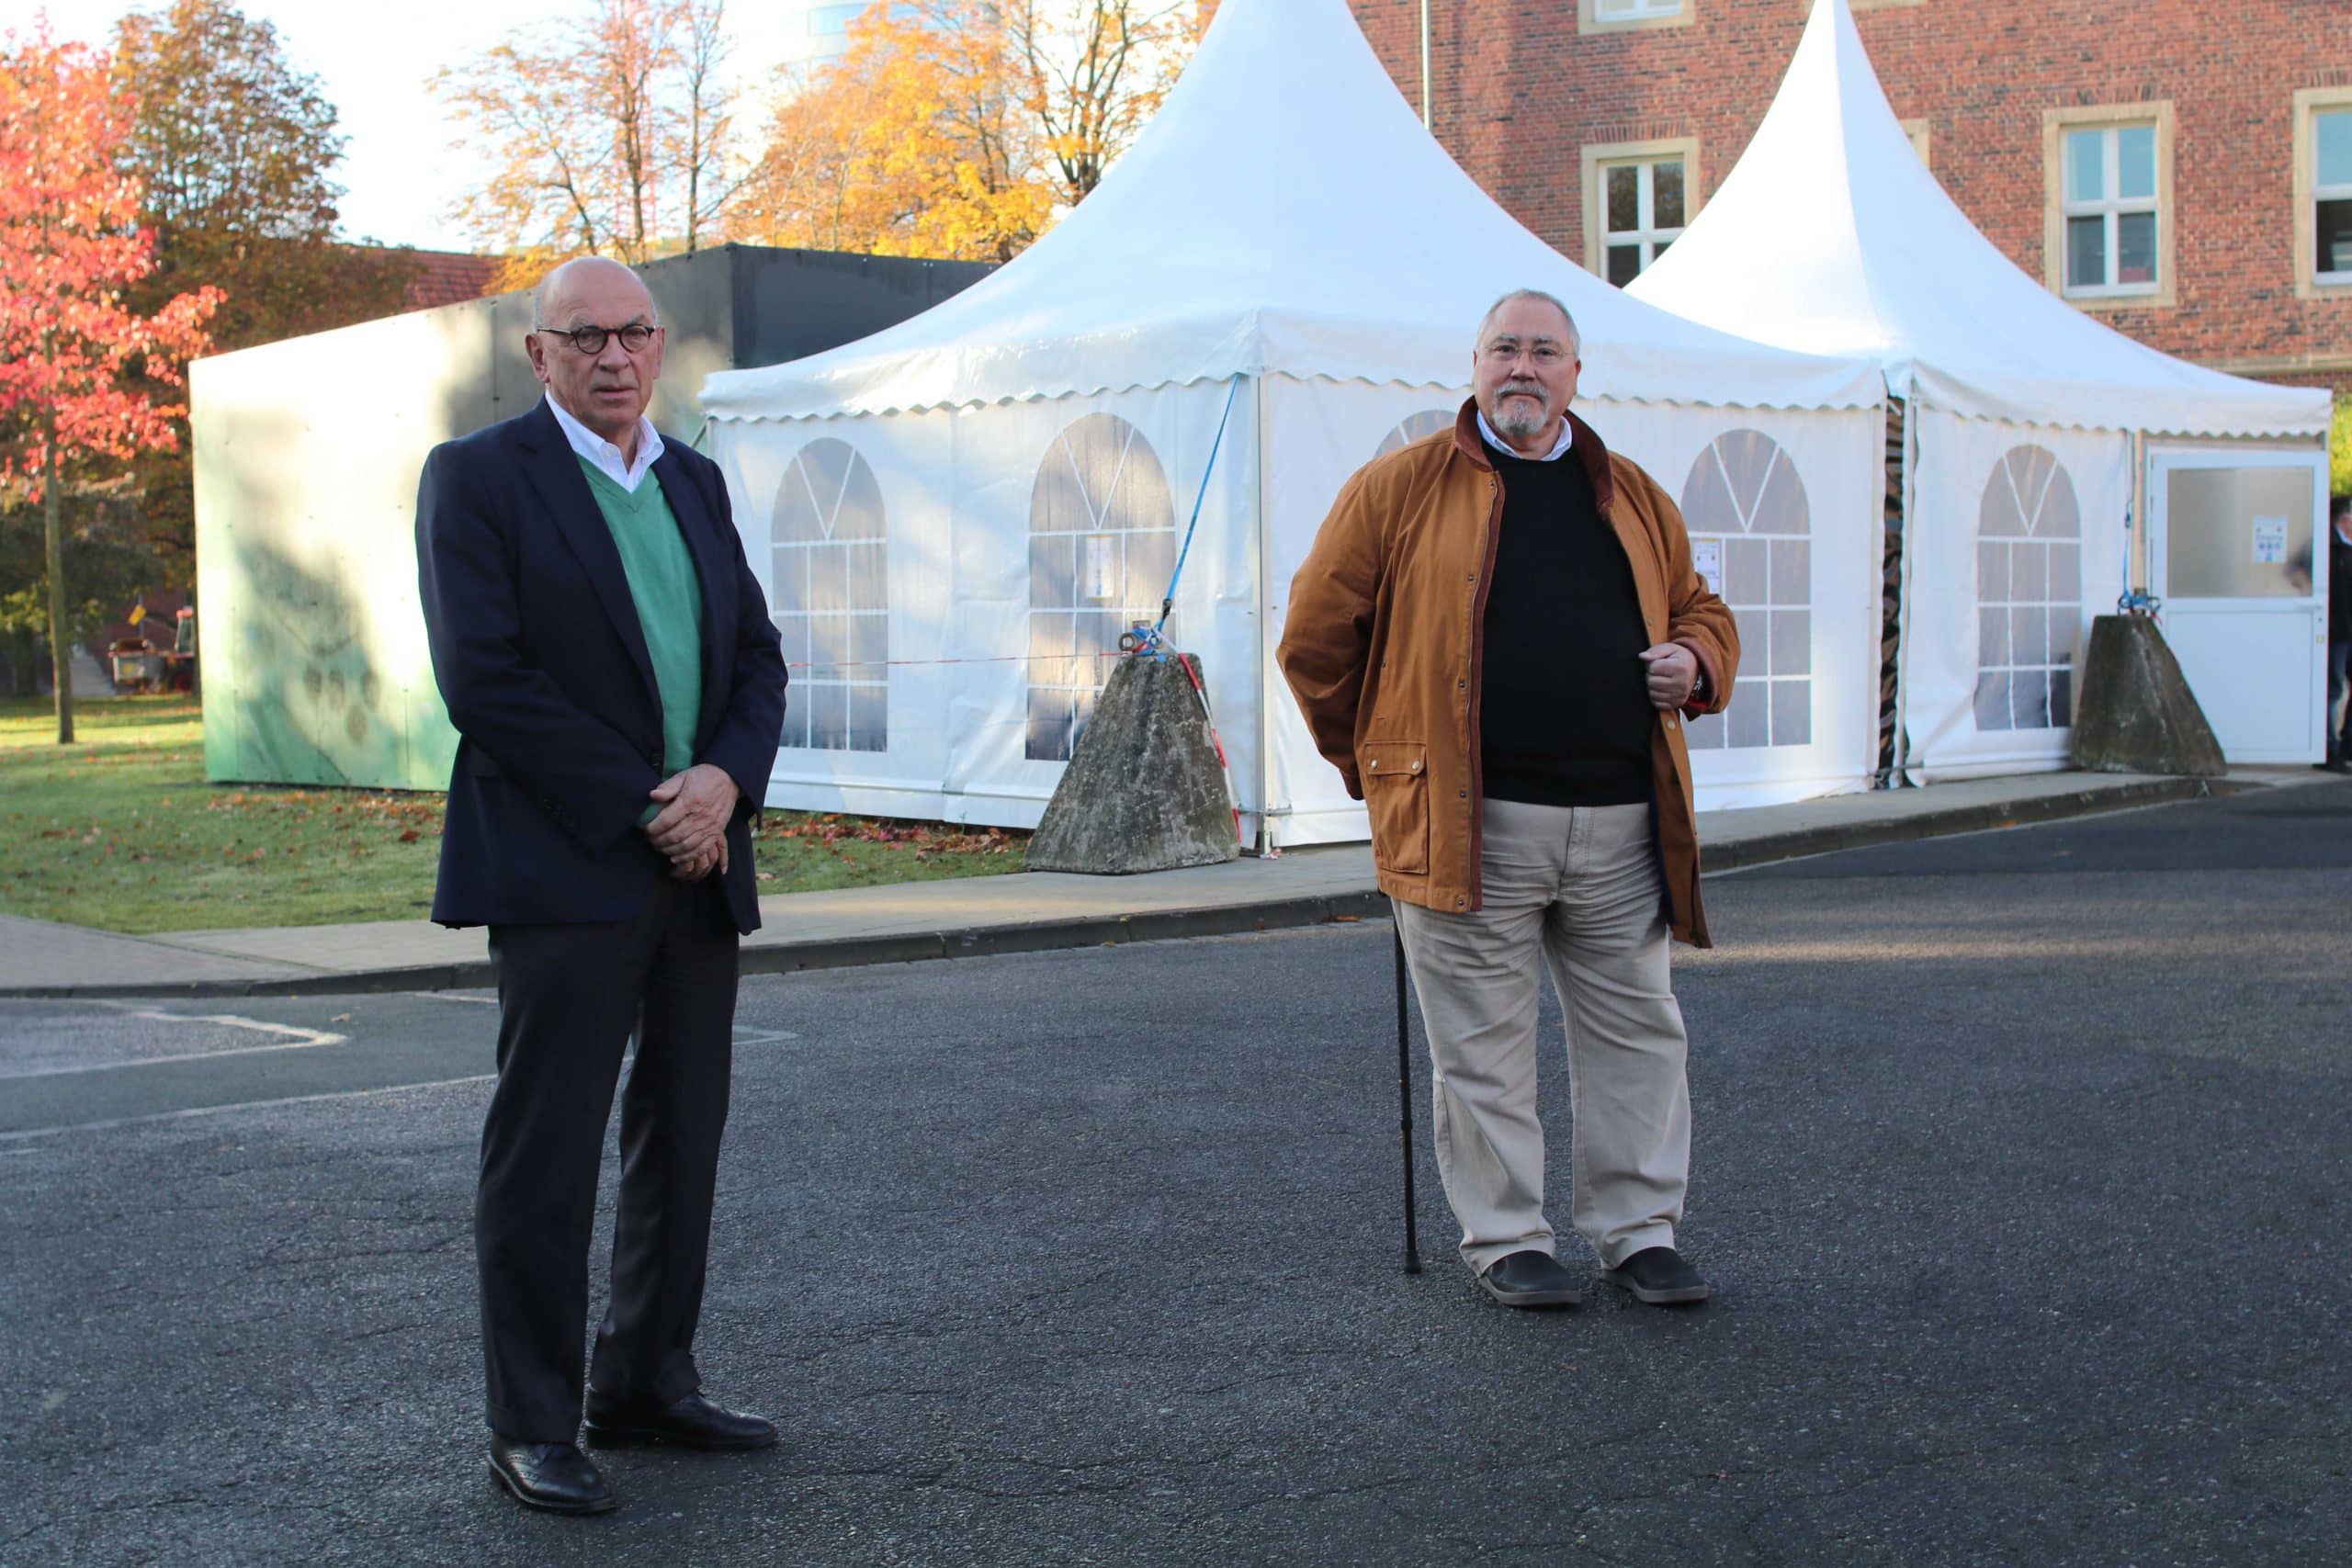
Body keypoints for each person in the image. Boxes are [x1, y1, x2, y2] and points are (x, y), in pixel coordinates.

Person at [1278, 289, 1738, 1311]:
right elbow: (1314, 640)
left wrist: (1696, 658)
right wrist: (1384, 770)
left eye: (1544, 351)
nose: (1522, 367)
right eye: (1504, 349)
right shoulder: (1397, 488)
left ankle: (1640, 1231)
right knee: (1482, 1049)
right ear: (1475, 364)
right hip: (1469, 826)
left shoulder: (1631, 493)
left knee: (1640, 1035)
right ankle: (1507, 1239)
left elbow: (1699, 605)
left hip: (1623, 824)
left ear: (1575, 373)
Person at [416, 256, 788, 1514]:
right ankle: (532, 1423)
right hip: (566, 864)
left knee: (682, 1136)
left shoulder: (693, 480)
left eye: (634, 333)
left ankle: (644, 1382)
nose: (614, 356)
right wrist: (652, 802)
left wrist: (724, 784)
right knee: (548, 1153)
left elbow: (758, 659)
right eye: (585, 336)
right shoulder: (478, 478)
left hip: (699, 860)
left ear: (661, 342)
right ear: (540, 355)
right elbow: (487, 679)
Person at [2326, 493, 2350, 772]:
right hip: (2338, 631)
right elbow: (2294, 572)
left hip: (2348, 628)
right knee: (2333, 689)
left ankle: (2347, 745)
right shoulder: (2329, 547)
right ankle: (2328, 749)